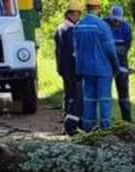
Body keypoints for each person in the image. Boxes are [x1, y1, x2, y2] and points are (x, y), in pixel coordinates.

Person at [73, 0, 124, 131]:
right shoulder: (102, 26)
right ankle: (105, 130)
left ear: (86, 8)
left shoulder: (79, 26)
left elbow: (77, 50)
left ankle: (88, 128)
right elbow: (111, 50)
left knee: (89, 100)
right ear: (99, 8)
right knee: (104, 100)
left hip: (86, 70)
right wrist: (117, 68)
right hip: (103, 70)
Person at [54, 0, 84, 134]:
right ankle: (71, 126)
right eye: (78, 14)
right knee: (76, 97)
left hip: (63, 68)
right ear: (75, 14)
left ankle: (65, 125)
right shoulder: (70, 29)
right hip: (73, 69)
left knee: (68, 96)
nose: (79, 17)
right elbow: (74, 52)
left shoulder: (60, 28)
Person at [106, 6, 133, 123]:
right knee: (105, 92)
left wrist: (116, 52)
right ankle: (106, 119)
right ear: (110, 17)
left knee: (124, 92)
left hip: (121, 63)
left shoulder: (126, 28)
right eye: (114, 19)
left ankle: (127, 119)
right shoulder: (104, 24)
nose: (116, 22)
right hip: (106, 64)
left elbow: (126, 46)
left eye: (118, 19)